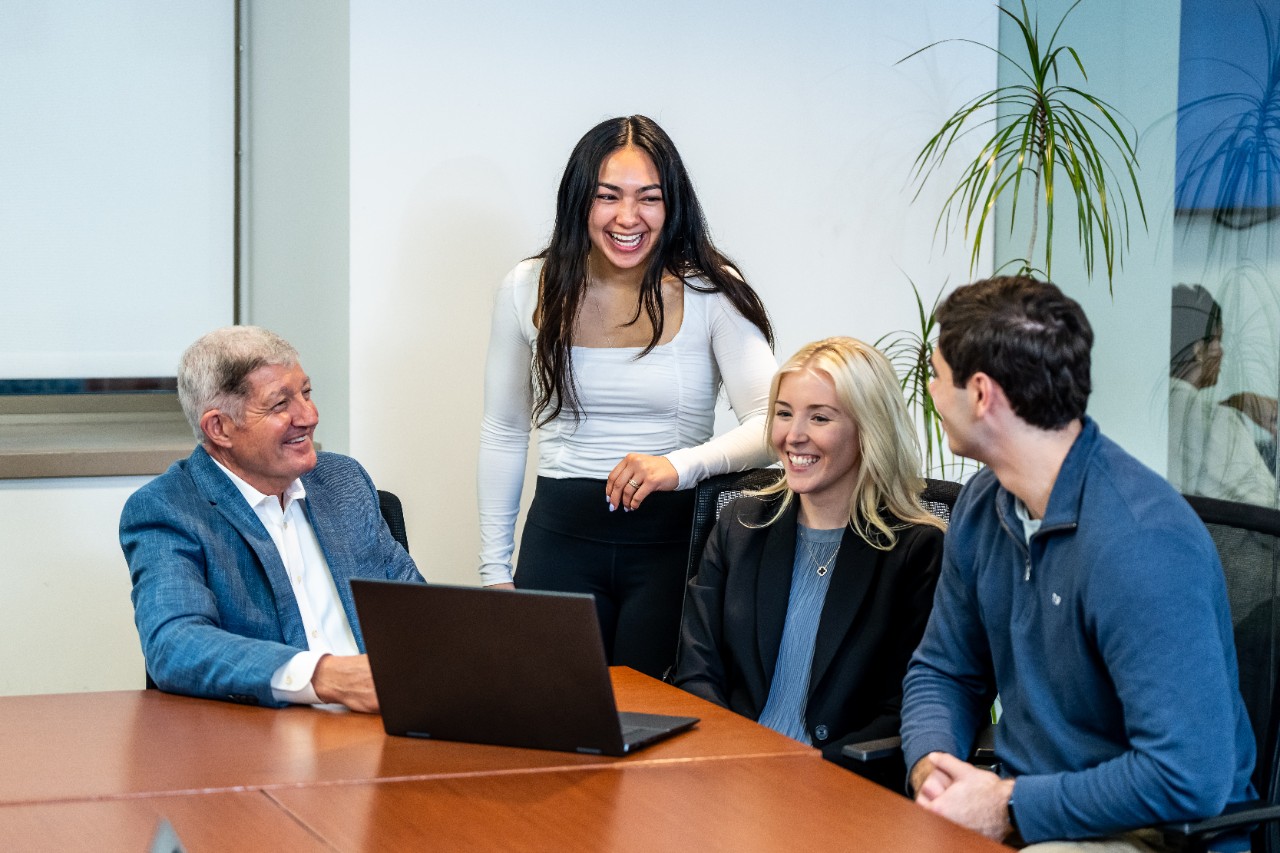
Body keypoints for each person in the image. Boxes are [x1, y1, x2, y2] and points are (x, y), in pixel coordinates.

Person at [899, 276, 1256, 850]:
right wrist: (934, 767)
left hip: (1150, 834)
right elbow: (944, 670)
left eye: (937, 377)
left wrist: (1008, 807)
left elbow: (1187, 776)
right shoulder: (982, 506)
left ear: (982, 394)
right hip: (1032, 811)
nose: (933, 394)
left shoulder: (1142, 543)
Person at [477, 115, 776, 678]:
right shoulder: (526, 285)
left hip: (675, 544)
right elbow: (504, 429)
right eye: (607, 196)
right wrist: (495, 570)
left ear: (673, 205)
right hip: (559, 539)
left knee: (656, 731)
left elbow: (770, 424)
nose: (627, 218)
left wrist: (677, 466)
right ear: (578, 201)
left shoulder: (711, 289)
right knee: (553, 724)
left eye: (649, 198)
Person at [673, 337, 943, 785]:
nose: (793, 435)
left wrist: (806, 774)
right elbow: (696, 670)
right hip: (729, 776)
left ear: (868, 428)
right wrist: (731, 762)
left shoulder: (916, 551)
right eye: (783, 413)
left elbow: (908, 708)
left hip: (843, 789)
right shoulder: (740, 526)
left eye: (819, 417)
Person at [120, 326, 423, 711]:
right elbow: (174, 644)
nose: (309, 416)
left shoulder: (341, 480)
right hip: (272, 741)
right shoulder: (170, 508)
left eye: (307, 393)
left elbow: (418, 614)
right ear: (220, 427)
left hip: (391, 727)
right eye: (280, 404)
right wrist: (326, 676)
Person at [1168, 283, 1277, 506]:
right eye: (1219, 339)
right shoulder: (1217, 423)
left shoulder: (1150, 417)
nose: (1223, 351)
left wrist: (1240, 402)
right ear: (1199, 350)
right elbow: (1272, 512)